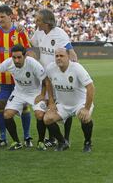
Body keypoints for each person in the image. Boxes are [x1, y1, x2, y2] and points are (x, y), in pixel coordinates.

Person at [0, 5, 34, 147]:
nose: (1, 19)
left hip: (20, 81)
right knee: (0, 106)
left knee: (25, 107)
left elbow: (29, 52)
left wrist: (32, 66)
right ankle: (3, 137)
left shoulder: (20, 33)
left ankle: (27, 137)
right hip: (3, 81)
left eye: (3, 16)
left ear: (11, 16)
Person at [31, 9, 78, 146]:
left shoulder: (59, 34)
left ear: (46, 22)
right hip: (45, 79)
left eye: (38, 20)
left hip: (58, 77)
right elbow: (32, 43)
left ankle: (66, 137)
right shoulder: (38, 32)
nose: (36, 22)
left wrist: (73, 67)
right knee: (47, 106)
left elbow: (70, 50)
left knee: (64, 105)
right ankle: (51, 138)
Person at [0, 44, 49, 151]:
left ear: (25, 56)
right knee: (7, 114)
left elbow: (45, 80)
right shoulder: (9, 62)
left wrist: (42, 95)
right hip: (19, 92)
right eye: (14, 57)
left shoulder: (33, 63)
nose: (16, 60)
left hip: (35, 92)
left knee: (39, 115)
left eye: (19, 57)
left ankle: (40, 141)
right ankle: (17, 142)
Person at [44, 48, 95, 152]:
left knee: (85, 117)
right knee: (47, 119)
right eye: (57, 56)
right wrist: (51, 101)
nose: (58, 58)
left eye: (61, 56)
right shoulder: (50, 68)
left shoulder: (77, 68)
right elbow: (48, 81)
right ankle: (62, 142)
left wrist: (86, 108)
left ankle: (87, 142)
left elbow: (91, 87)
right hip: (63, 105)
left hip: (79, 104)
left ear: (68, 57)